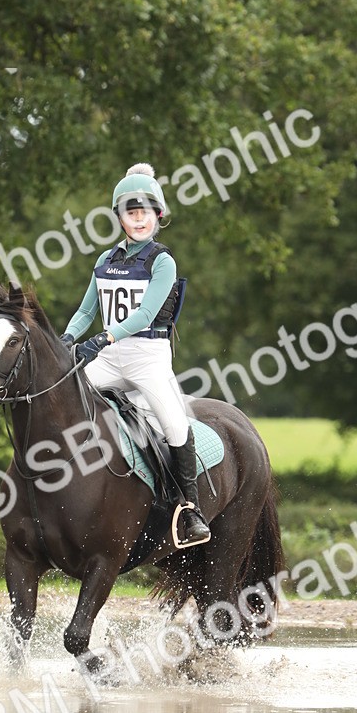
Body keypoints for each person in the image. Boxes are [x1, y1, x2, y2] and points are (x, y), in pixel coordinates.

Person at [60, 163, 211, 546]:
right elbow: (86, 311)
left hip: (148, 355)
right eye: (130, 212)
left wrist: (103, 339)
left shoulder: (162, 260)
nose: (138, 218)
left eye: (144, 211)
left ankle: (190, 510)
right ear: (120, 218)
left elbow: (144, 314)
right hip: (111, 356)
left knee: (175, 425)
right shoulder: (105, 260)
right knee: (63, 397)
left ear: (157, 216)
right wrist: (69, 337)